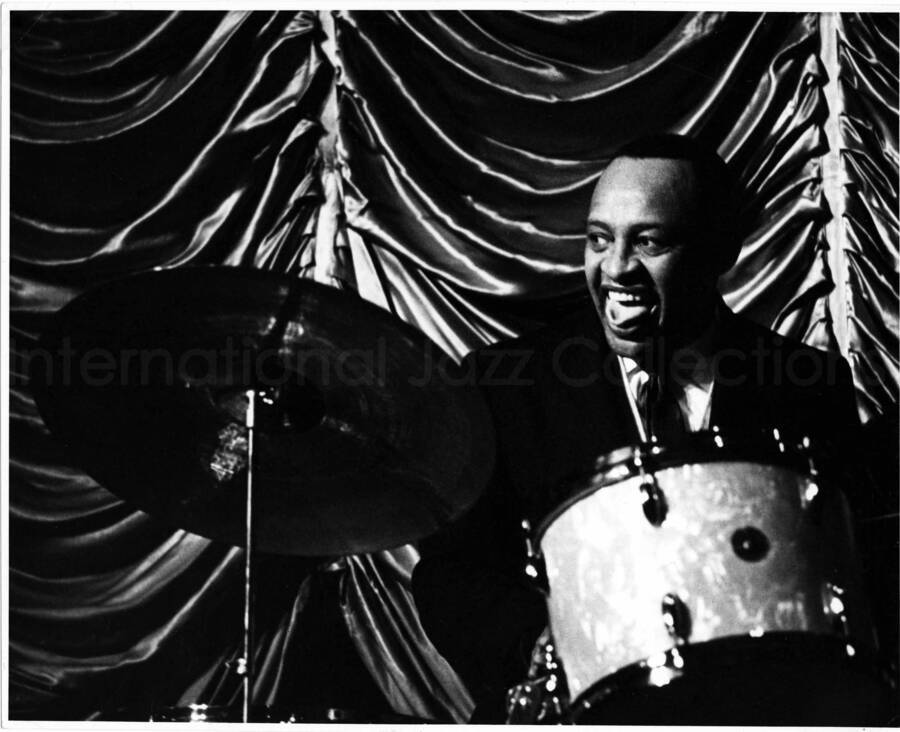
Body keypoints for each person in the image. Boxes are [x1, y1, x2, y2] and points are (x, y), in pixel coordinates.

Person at [411, 134, 861, 722]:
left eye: (648, 241)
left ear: (720, 251)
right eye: (599, 240)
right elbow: (451, 576)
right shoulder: (503, 385)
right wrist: (546, 647)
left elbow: (848, 565)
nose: (617, 268)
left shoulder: (807, 384)